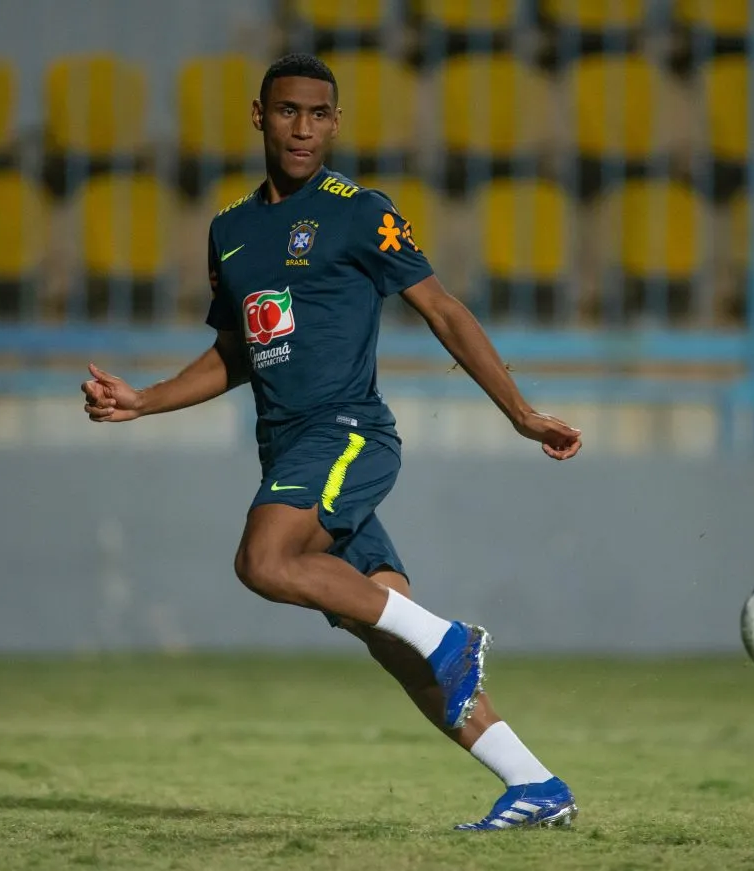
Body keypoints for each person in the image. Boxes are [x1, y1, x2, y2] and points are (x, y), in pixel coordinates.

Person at [80, 53, 582, 831]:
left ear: (336, 122)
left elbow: (443, 309)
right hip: (290, 453)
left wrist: (519, 411)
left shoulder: (360, 210)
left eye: (318, 114)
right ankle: (534, 782)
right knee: (390, 636)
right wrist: (144, 401)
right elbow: (238, 353)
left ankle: (452, 639)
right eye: (287, 112)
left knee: (265, 559)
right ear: (259, 115)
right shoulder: (231, 231)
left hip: (348, 432)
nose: (303, 128)